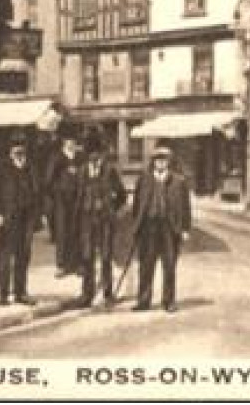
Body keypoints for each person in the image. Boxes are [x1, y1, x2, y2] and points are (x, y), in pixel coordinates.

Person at [131, 145, 191, 313]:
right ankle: (143, 300)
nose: (160, 164)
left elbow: (186, 207)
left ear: (168, 163)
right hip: (149, 228)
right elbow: (137, 205)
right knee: (146, 265)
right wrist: (137, 225)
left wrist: (185, 229)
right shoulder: (144, 180)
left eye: (164, 160)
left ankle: (169, 301)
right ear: (153, 162)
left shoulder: (179, 182)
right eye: (157, 160)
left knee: (169, 265)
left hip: (169, 229)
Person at [75, 134, 127, 308]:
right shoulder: (82, 171)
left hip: (105, 220)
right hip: (87, 220)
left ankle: (107, 293)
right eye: (91, 154)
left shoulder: (110, 170)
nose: (94, 158)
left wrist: (112, 210)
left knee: (106, 256)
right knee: (87, 256)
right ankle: (87, 294)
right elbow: (77, 196)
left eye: (97, 154)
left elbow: (122, 194)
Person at [0, 134, 40, 306]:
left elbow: (37, 191)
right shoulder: (1, 167)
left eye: (22, 146)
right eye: (15, 146)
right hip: (8, 217)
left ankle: (20, 292)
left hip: (27, 218)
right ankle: (3, 293)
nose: (19, 149)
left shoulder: (31, 167)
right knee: (5, 255)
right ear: (10, 149)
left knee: (23, 255)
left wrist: (39, 215)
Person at [47, 133, 84, 276]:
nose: (71, 144)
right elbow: (48, 181)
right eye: (69, 141)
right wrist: (56, 196)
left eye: (73, 141)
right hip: (61, 201)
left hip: (77, 200)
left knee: (77, 231)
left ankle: (77, 264)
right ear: (64, 142)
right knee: (62, 232)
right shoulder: (57, 158)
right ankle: (61, 265)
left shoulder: (80, 158)